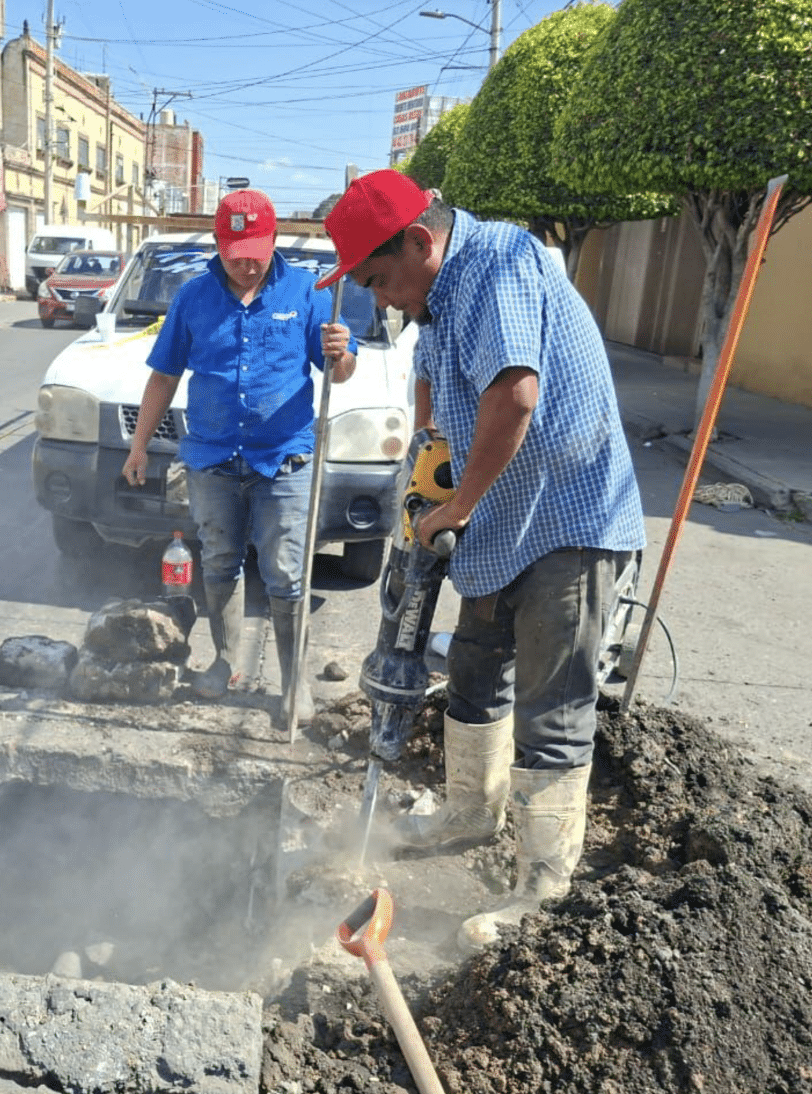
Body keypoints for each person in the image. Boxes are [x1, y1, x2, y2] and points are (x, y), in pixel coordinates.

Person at [318, 170, 646, 952]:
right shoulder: (437, 295)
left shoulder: (500, 266)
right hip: (504, 519)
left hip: (570, 519)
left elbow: (516, 395)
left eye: (380, 280)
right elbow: (433, 380)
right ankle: (472, 811)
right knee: (473, 666)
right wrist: (428, 460)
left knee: (551, 699)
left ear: (421, 243)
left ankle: (544, 882)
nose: (382, 300)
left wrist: (456, 505)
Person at [122, 189, 357, 725]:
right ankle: (225, 662)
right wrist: (139, 446)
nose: (246, 263)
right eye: (234, 253)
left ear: (273, 241)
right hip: (213, 458)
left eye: (255, 250)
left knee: (286, 573)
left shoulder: (308, 291)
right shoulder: (194, 297)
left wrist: (340, 355)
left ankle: (294, 681)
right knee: (220, 560)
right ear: (219, 245)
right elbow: (164, 375)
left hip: (284, 460)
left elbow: (337, 374)